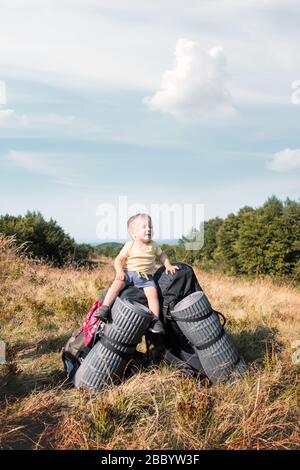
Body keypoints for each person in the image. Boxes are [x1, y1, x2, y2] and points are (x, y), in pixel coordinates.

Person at [96, 213, 179, 334]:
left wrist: (168, 265)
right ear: (134, 233)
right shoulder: (130, 245)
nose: (149, 229)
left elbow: (162, 255)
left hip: (146, 278)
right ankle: (105, 307)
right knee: (116, 286)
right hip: (129, 273)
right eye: (144, 227)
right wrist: (119, 271)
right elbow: (118, 259)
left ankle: (155, 321)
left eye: (150, 226)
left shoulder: (154, 245)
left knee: (153, 296)